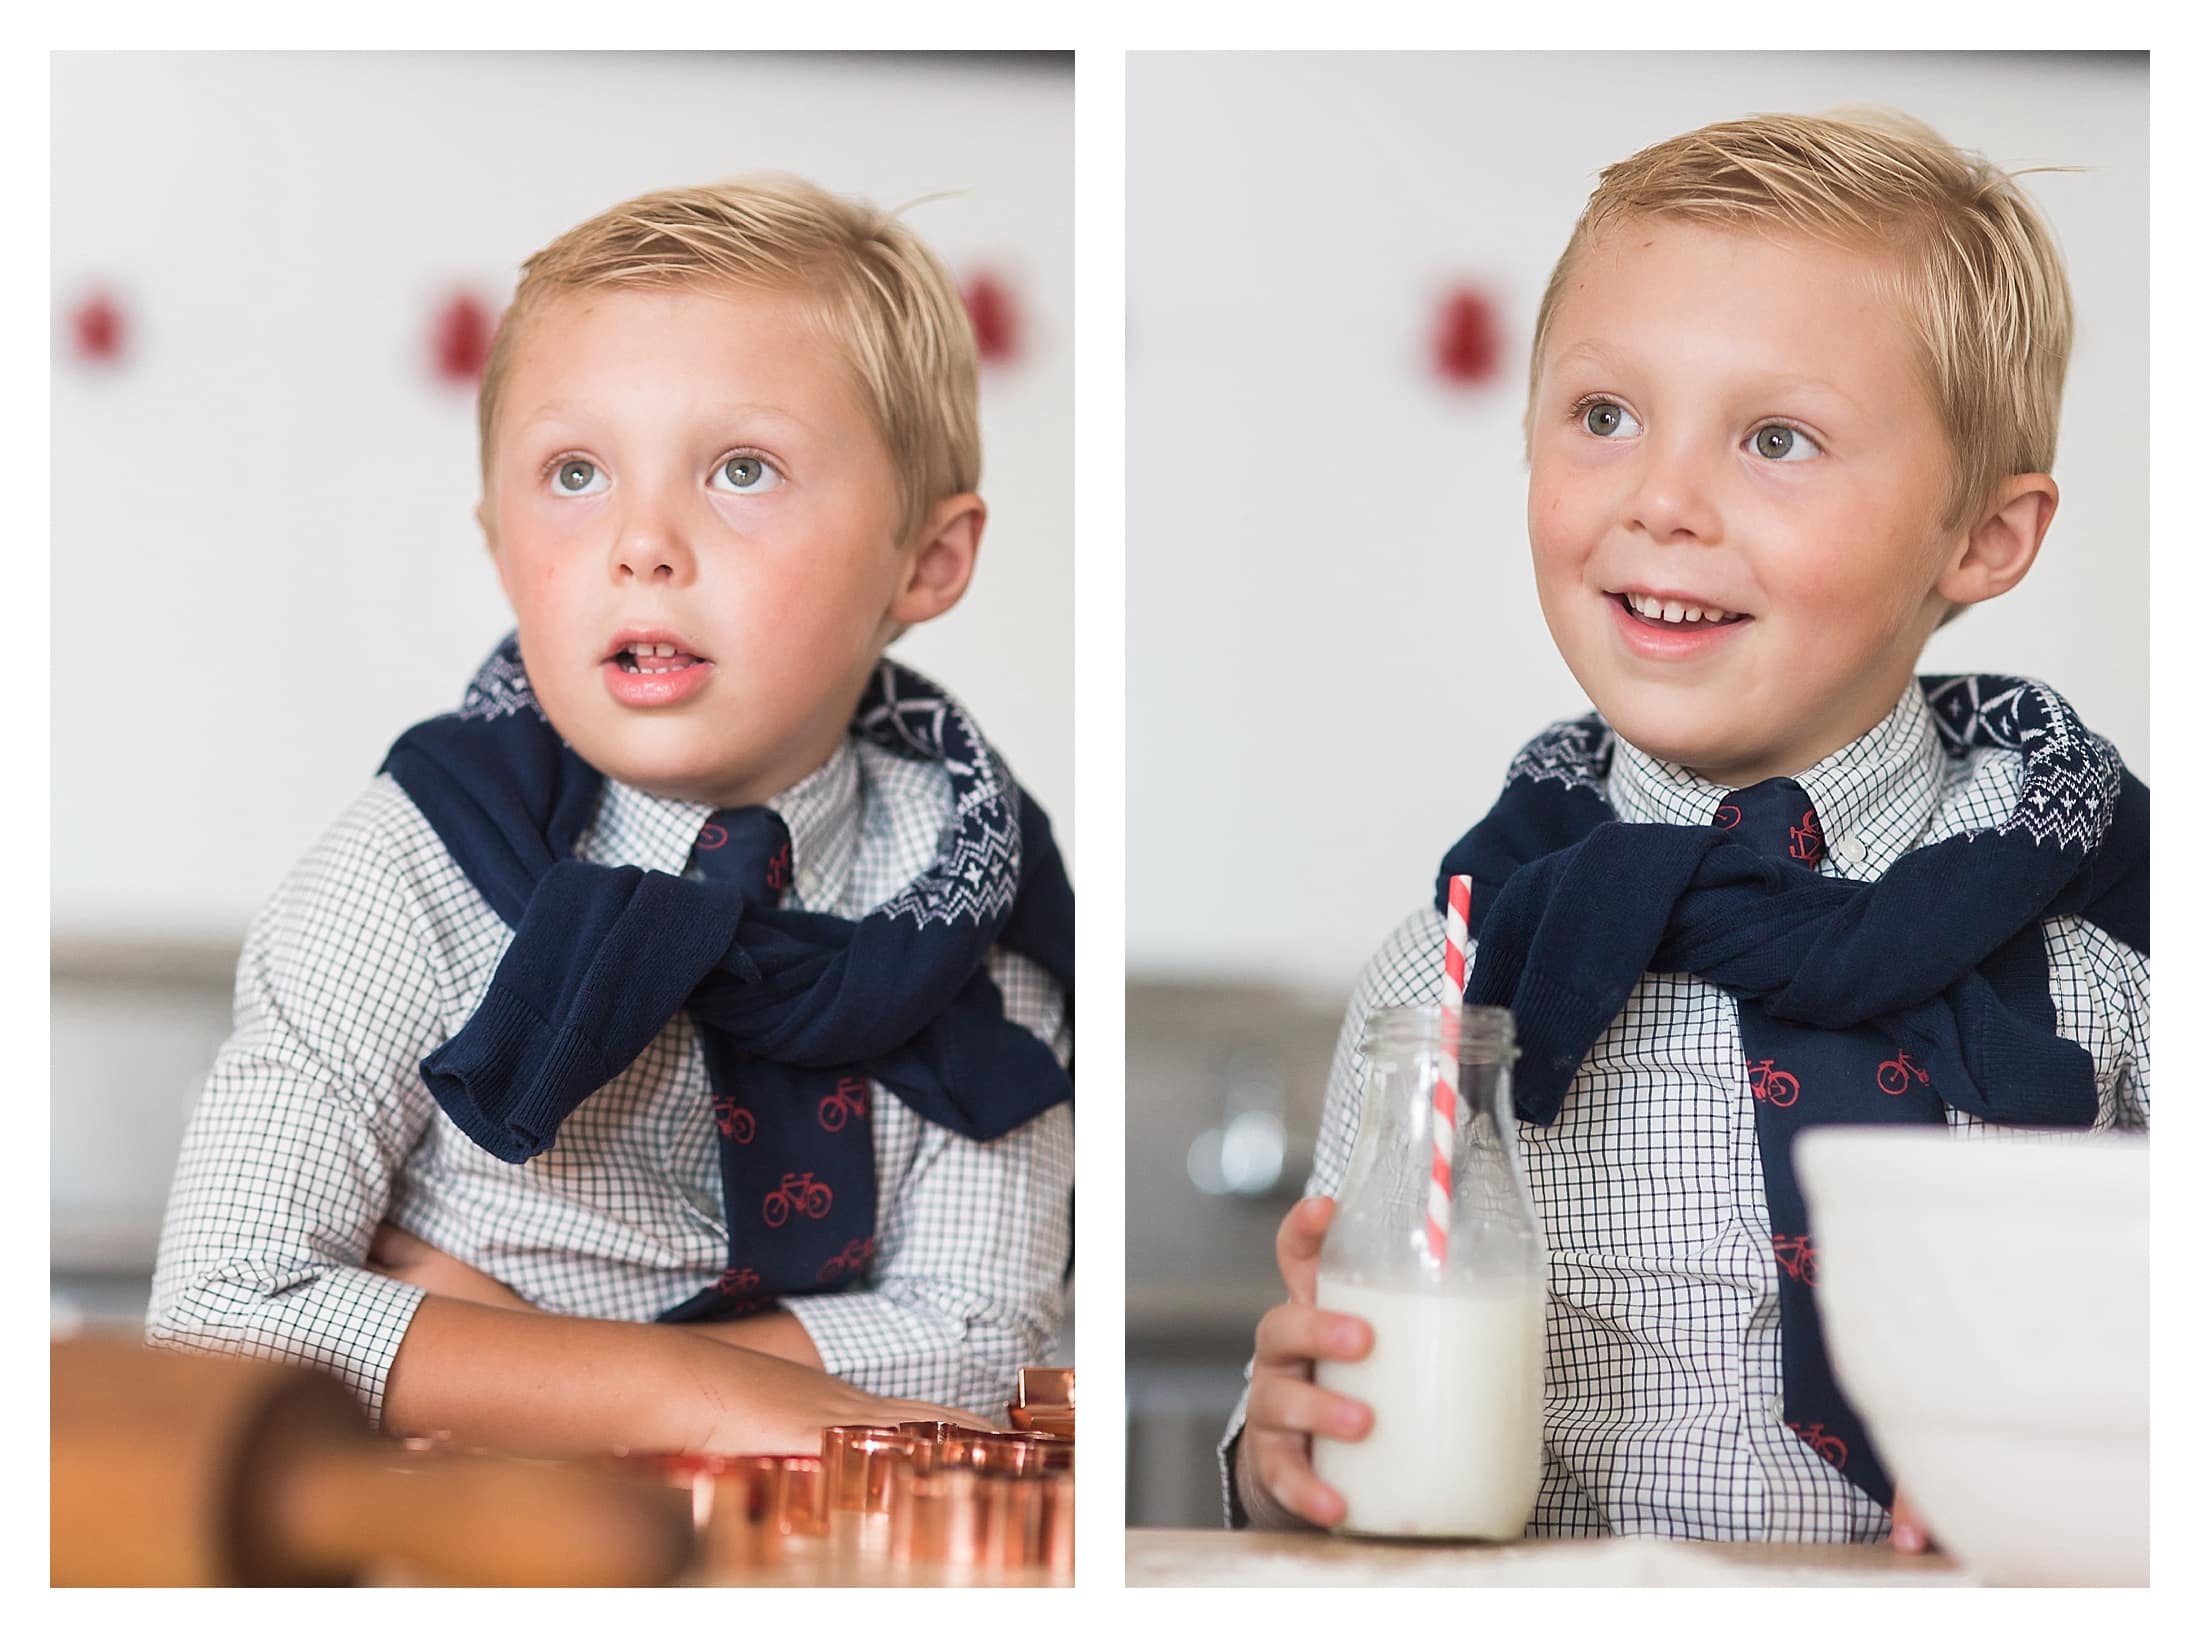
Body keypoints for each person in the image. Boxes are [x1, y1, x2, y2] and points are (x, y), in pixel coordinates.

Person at [1224, 109, 2147, 1545]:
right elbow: (1330, 1393)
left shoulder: (2113, 949)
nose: (1661, 500)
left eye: (1776, 438)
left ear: (1983, 536)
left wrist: (2122, 1445)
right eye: (1605, 416)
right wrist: (1277, 1456)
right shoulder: (1454, 972)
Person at [149, 176, 1074, 1459]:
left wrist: (483, 1351)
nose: (642, 543)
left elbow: (984, 1349)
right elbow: (219, 1314)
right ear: (498, 543)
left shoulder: (969, 903)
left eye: (742, 469)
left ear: (925, 560)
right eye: (574, 472)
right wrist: (703, 1400)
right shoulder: (406, 875)